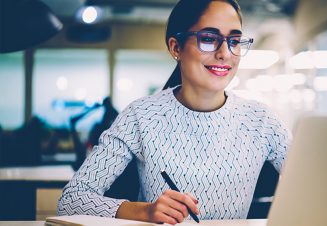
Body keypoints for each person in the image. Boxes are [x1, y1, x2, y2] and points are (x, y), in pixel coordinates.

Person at [57, 0, 291, 225]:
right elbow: (72, 199)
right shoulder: (142, 115)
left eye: (235, 41)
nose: (225, 53)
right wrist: (143, 211)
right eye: (209, 39)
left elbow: (319, 187)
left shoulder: (262, 121)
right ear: (175, 47)